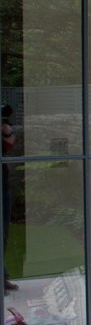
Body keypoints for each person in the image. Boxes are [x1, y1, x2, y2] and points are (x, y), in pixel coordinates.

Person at [2, 103, 16, 292]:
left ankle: (2, 277)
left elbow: (9, 145)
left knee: (3, 232)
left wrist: (7, 130)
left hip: (3, 186)